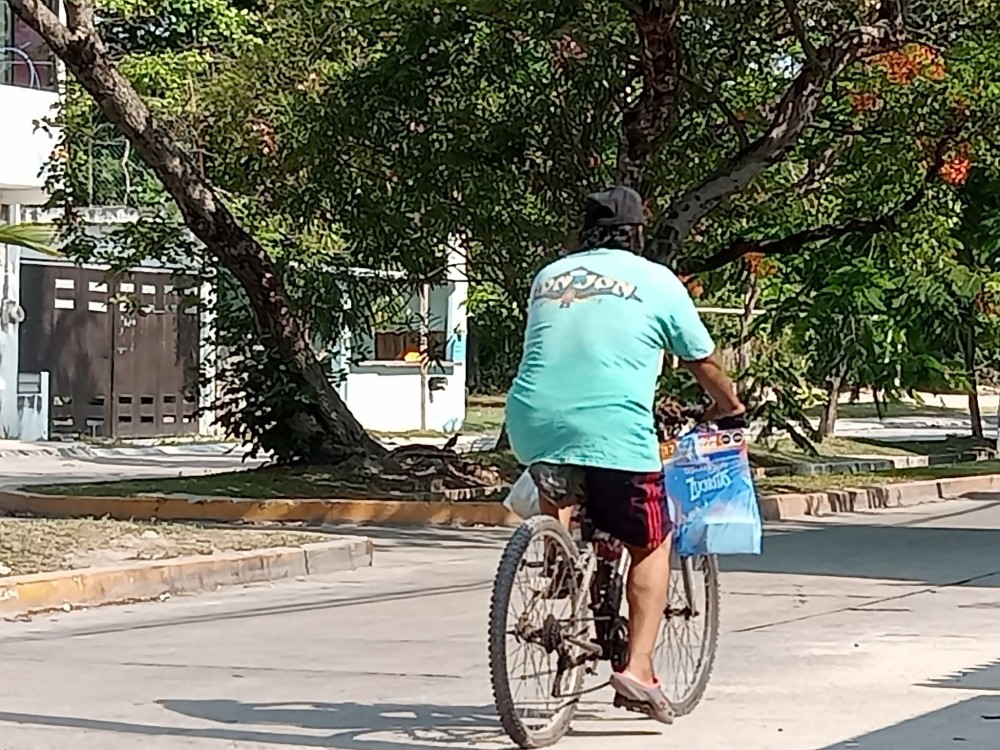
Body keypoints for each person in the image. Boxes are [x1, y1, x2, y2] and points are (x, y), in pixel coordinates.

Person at [505, 185, 745, 724]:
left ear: (584, 232)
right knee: (651, 540)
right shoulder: (658, 281)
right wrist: (730, 408)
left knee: (564, 476)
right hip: (613, 425)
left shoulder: (549, 276)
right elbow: (700, 360)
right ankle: (638, 668)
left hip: (530, 419)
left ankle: (558, 556)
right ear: (637, 233)